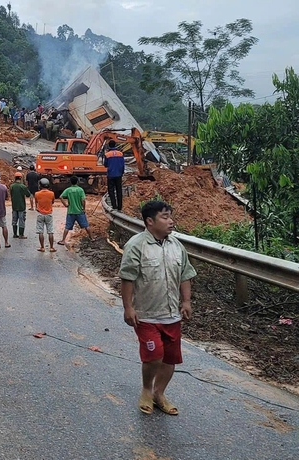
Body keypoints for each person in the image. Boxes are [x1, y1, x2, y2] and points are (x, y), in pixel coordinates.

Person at [119, 201, 197, 416]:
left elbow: (185, 275)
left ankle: (159, 393)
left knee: (170, 358)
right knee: (154, 356)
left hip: (172, 314)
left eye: (171, 216)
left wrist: (186, 302)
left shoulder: (176, 246)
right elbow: (128, 278)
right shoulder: (136, 245)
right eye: (165, 217)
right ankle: (146, 390)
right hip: (146, 315)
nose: (171, 221)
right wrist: (128, 308)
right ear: (150, 221)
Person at [58, 176, 96, 244]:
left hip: (71, 211)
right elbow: (83, 200)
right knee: (86, 226)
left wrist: (65, 205)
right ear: (77, 182)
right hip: (79, 211)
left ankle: (63, 240)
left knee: (67, 227)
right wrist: (83, 208)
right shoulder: (80, 190)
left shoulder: (68, 190)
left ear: (70, 182)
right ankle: (92, 238)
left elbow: (61, 197)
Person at [34, 178, 56, 252]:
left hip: (40, 214)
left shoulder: (37, 194)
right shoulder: (52, 193)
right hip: (49, 214)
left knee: (41, 232)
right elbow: (53, 202)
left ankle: (42, 247)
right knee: (50, 231)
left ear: (40, 185)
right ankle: (51, 247)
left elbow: (36, 202)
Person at [104, 140, 125, 210]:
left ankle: (114, 206)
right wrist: (121, 172)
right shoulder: (120, 154)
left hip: (111, 175)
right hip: (119, 175)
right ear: (115, 145)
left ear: (109, 146)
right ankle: (120, 207)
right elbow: (123, 165)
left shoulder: (107, 154)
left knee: (111, 191)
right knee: (119, 190)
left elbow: (105, 165)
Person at [10, 172, 31, 239]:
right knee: (21, 220)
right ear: (21, 178)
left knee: (14, 220)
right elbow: (28, 194)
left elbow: (11, 194)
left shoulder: (12, 186)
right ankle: (21, 235)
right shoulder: (23, 186)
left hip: (14, 206)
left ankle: (15, 234)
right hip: (21, 206)